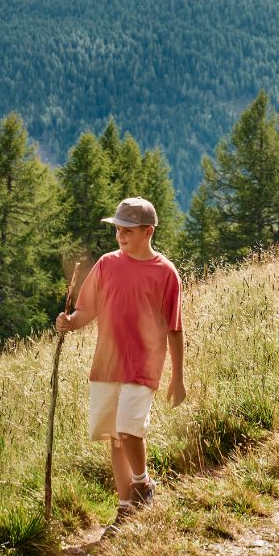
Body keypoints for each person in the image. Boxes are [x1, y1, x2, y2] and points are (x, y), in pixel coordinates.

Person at [56, 197, 186, 531]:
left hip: (143, 364)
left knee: (128, 428)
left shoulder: (165, 273)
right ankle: (126, 506)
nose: (120, 235)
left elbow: (174, 328)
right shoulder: (107, 265)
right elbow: (88, 309)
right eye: (117, 229)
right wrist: (70, 322)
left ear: (148, 231)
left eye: (128, 230)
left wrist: (178, 377)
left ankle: (143, 483)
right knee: (115, 436)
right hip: (107, 363)